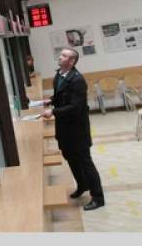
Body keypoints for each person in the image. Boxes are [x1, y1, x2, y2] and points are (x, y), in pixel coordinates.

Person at [42, 47, 105, 211]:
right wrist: (50, 101)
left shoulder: (78, 80)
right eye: (61, 54)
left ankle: (98, 197)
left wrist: (53, 111)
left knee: (85, 162)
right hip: (64, 129)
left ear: (71, 61)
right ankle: (82, 185)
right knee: (70, 157)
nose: (60, 57)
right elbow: (61, 96)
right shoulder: (59, 75)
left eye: (64, 55)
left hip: (77, 130)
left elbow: (76, 107)